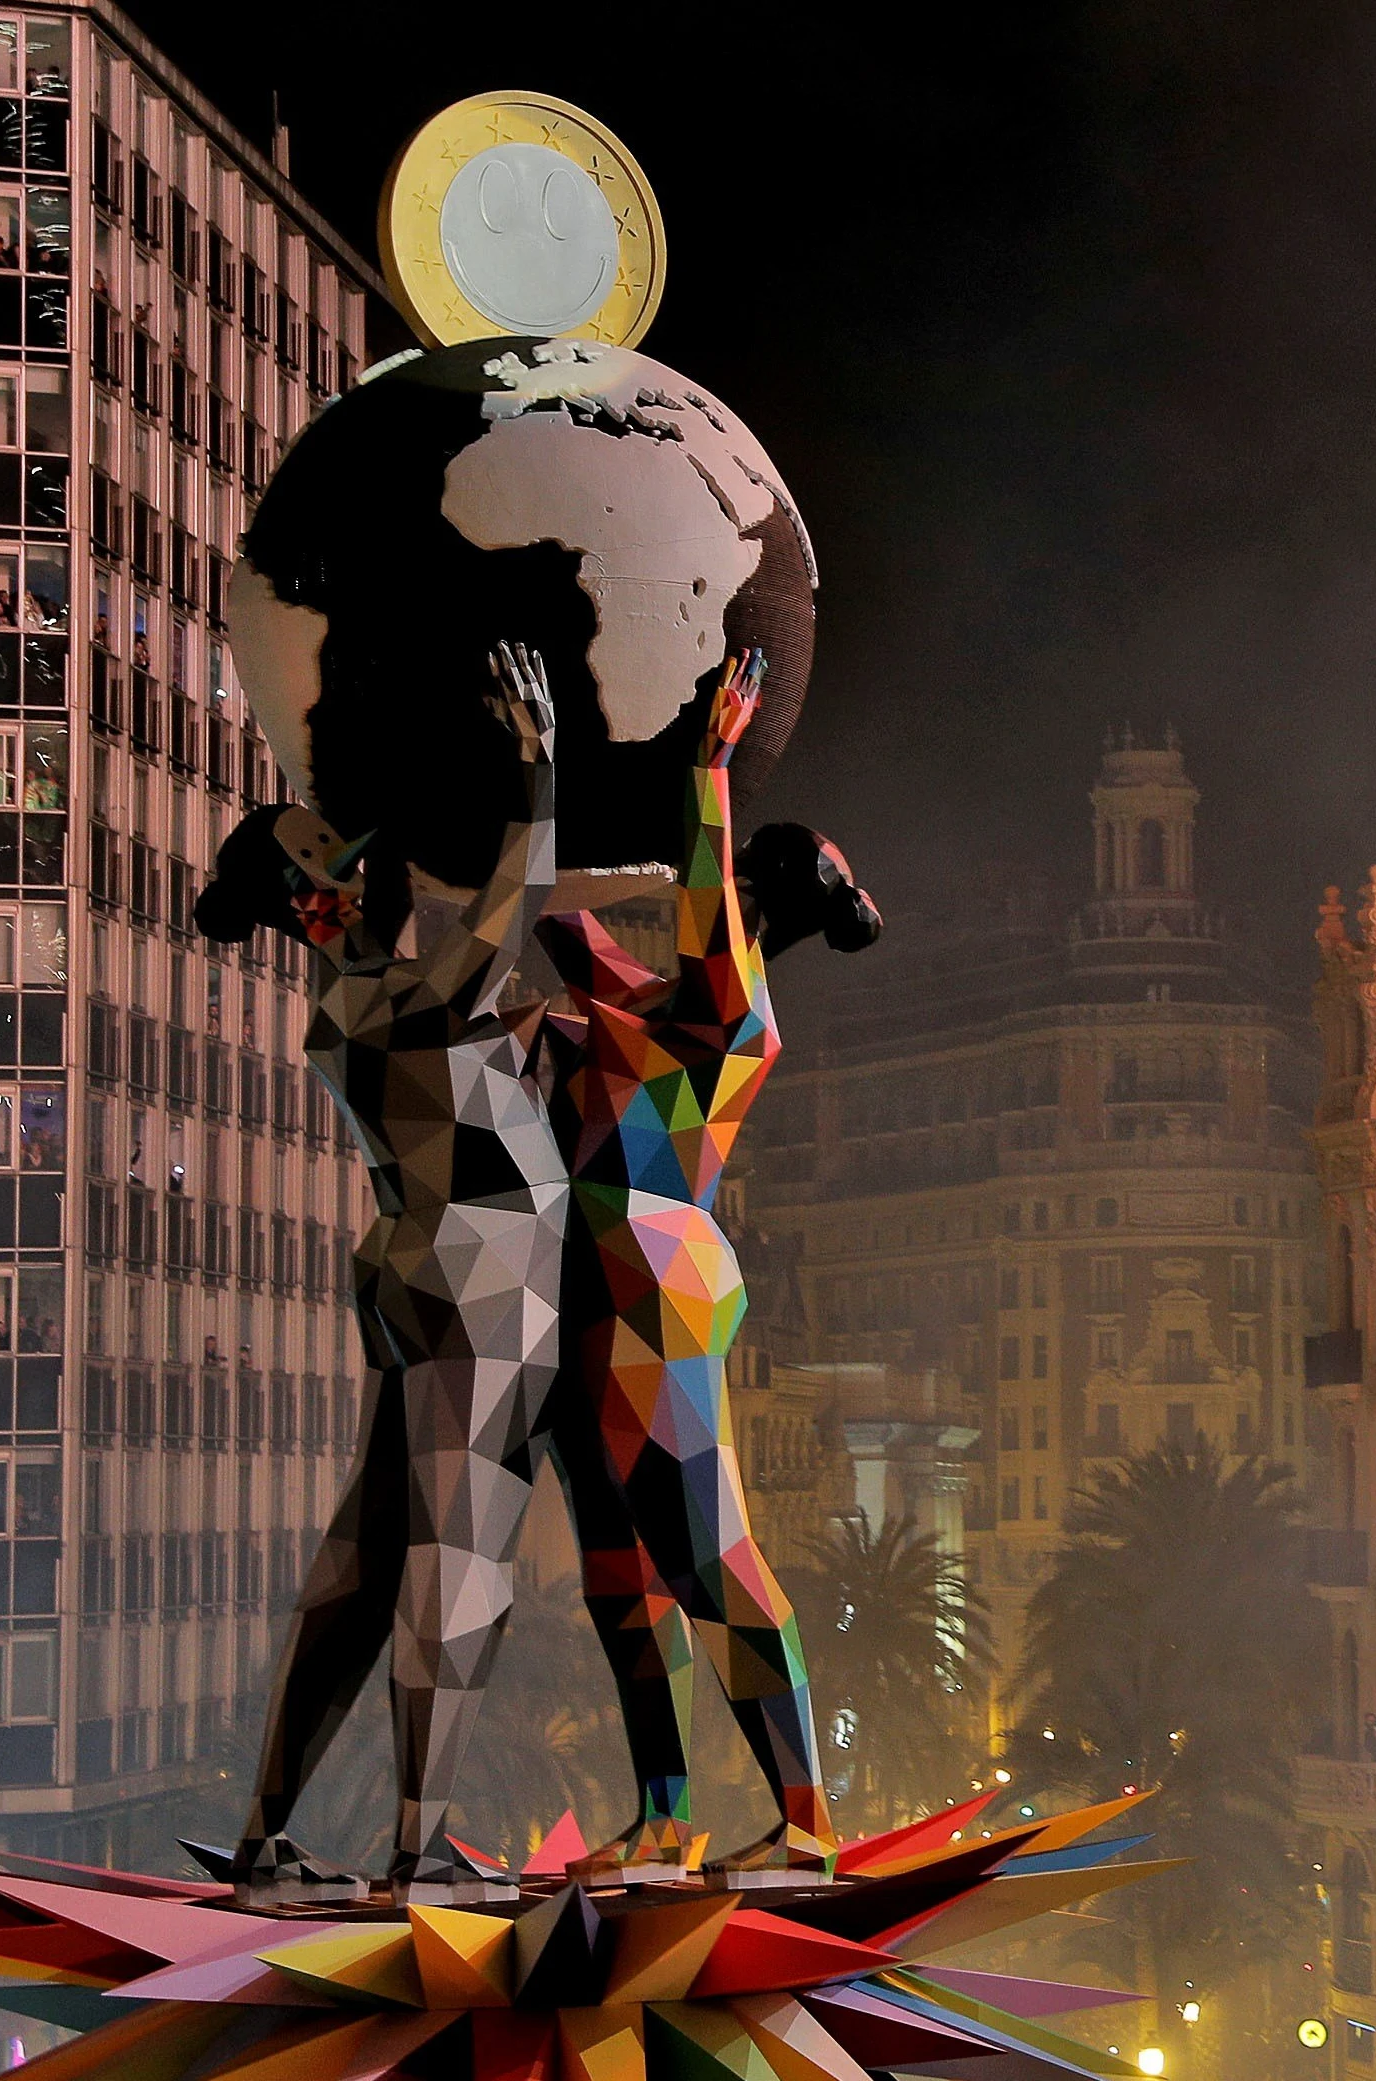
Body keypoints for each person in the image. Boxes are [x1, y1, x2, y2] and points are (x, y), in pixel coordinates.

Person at [201, 643, 566, 1900]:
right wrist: (538, 774)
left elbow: (421, 934)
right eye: (340, 865)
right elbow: (511, 910)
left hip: (423, 1274)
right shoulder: (396, 1004)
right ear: (320, 900)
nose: (363, 872)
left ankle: (268, 1834)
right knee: (455, 1560)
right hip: (487, 1273)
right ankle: (418, 1849)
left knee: (364, 1561)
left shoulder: (351, 1007)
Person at [528, 656, 873, 1882]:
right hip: (582, 1286)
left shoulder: (732, 1011)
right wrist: (537, 773)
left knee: (705, 1555)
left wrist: (705, 766)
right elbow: (556, 921)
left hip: (654, 1279)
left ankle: (802, 1820)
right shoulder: (652, 1004)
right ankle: (665, 1813)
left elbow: (695, 904)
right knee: (622, 1572)